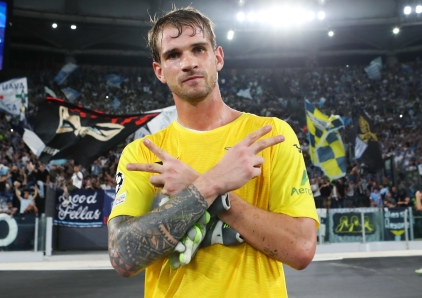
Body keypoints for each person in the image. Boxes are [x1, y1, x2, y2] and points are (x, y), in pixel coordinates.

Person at [107, 7, 318, 297]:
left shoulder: (271, 136)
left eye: (198, 49)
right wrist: (209, 184)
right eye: (173, 55)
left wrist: (207, 192)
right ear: (159, 71)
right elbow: (123, 257)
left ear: (217, 57)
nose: (188, 63)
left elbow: (302, 249)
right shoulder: (141, 154)